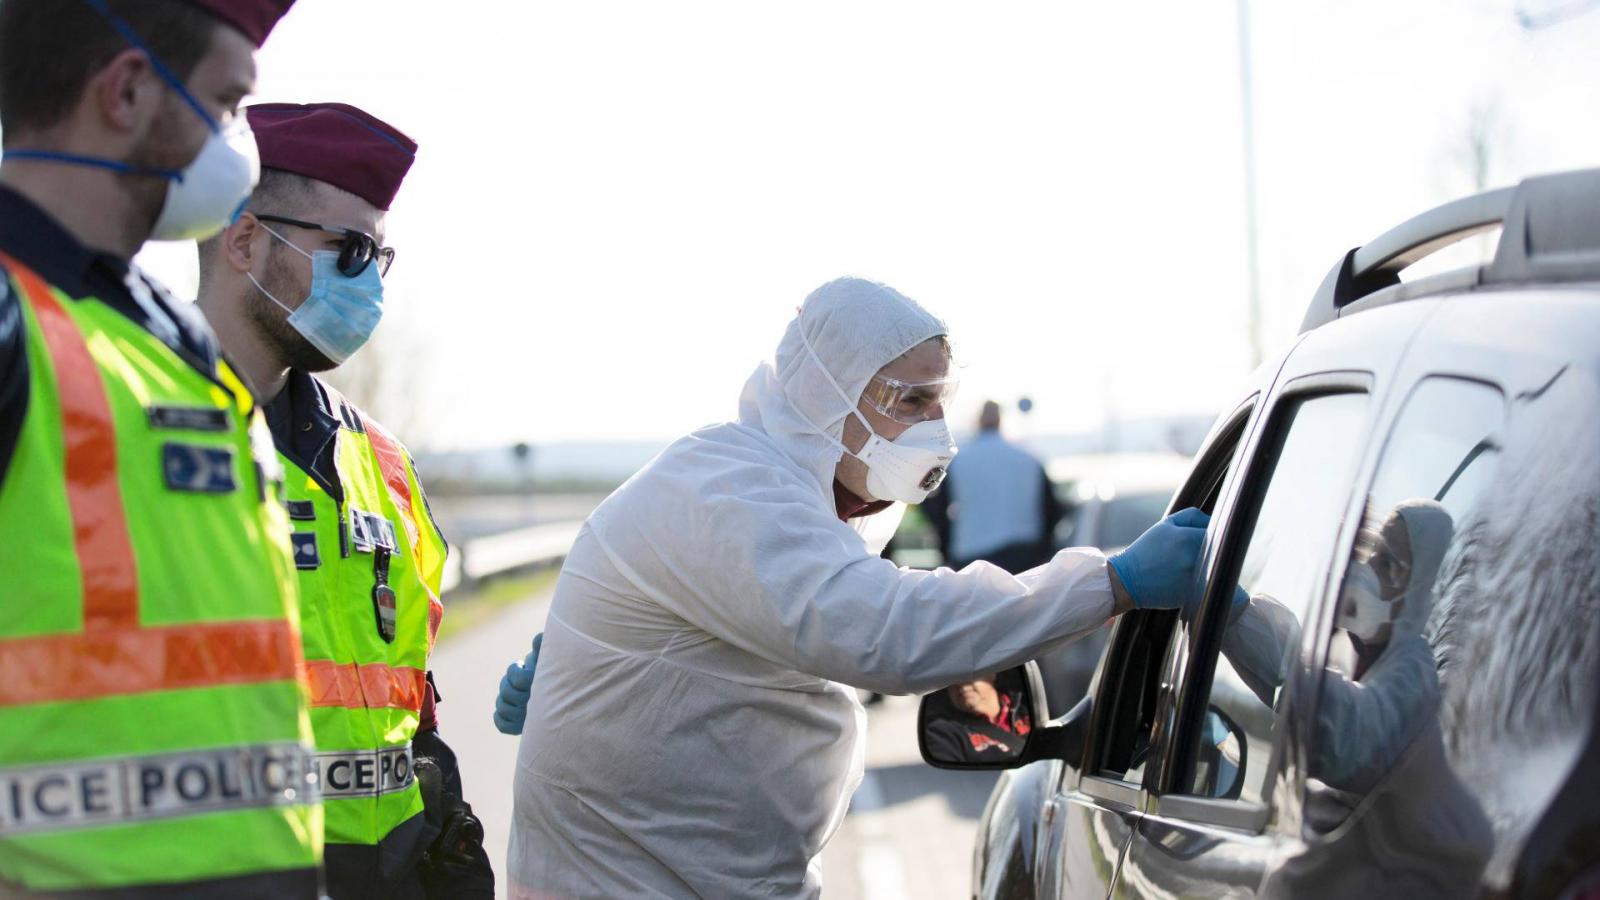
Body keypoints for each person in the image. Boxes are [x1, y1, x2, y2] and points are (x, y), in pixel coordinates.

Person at [495, 276, 1208, 898]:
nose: (935, 427)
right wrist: (1110, 582)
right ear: (823, 395)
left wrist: (585, 660)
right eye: (909, 399)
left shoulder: (810, 495)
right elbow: (886, 632)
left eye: (941, 399)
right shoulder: (733, 487)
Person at [0, 1, 323, 896]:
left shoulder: (162, 332)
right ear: (129, 89)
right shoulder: (13, 319)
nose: (236, 147)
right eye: (226, 104)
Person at [193, 102, 494, 899]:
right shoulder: (125, 430)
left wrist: (445, 836)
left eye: (380, 257)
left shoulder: (381, 461)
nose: (367, 283)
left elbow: (408, 702)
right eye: (348, 250)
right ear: (245, 239)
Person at [921, 399, 1062, 571]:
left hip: (971, 556)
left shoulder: (958, 461)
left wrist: (945, 550)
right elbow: (1051, 509)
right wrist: (1044, 550)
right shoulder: (1029, 459)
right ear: (1001, 420)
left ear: (977, 420)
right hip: (1025, 555)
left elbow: (936, 507)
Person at [921, 671, 1033, 764]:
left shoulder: (1030, 703)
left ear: (992, 673)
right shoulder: (944, 732)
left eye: (970, 674)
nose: (962, 684)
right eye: (951, 679)